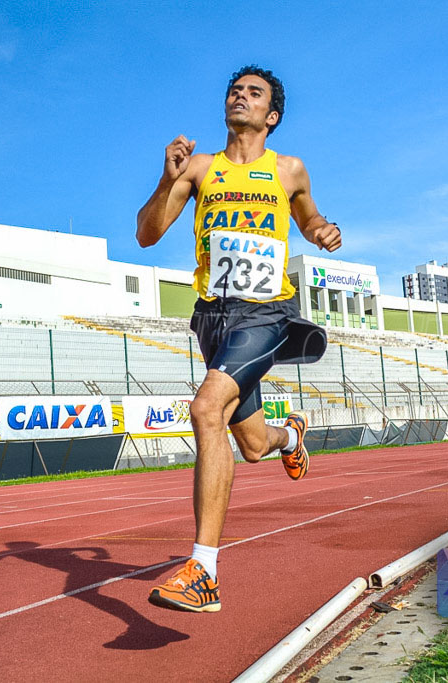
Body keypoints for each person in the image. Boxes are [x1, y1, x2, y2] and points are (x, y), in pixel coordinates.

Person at [136, 65, 341, 613]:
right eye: (234, 90)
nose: (239, 96)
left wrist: (320, 231)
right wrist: (166, 178)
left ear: (271, 116)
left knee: (206, 409)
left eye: (253, 93)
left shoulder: (289, 169)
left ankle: (203, 571)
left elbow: (310, 217)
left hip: (267, 311)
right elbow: (147, 234)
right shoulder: (200, 168)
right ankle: (290, 436)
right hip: (212, 316)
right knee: (251, 446)